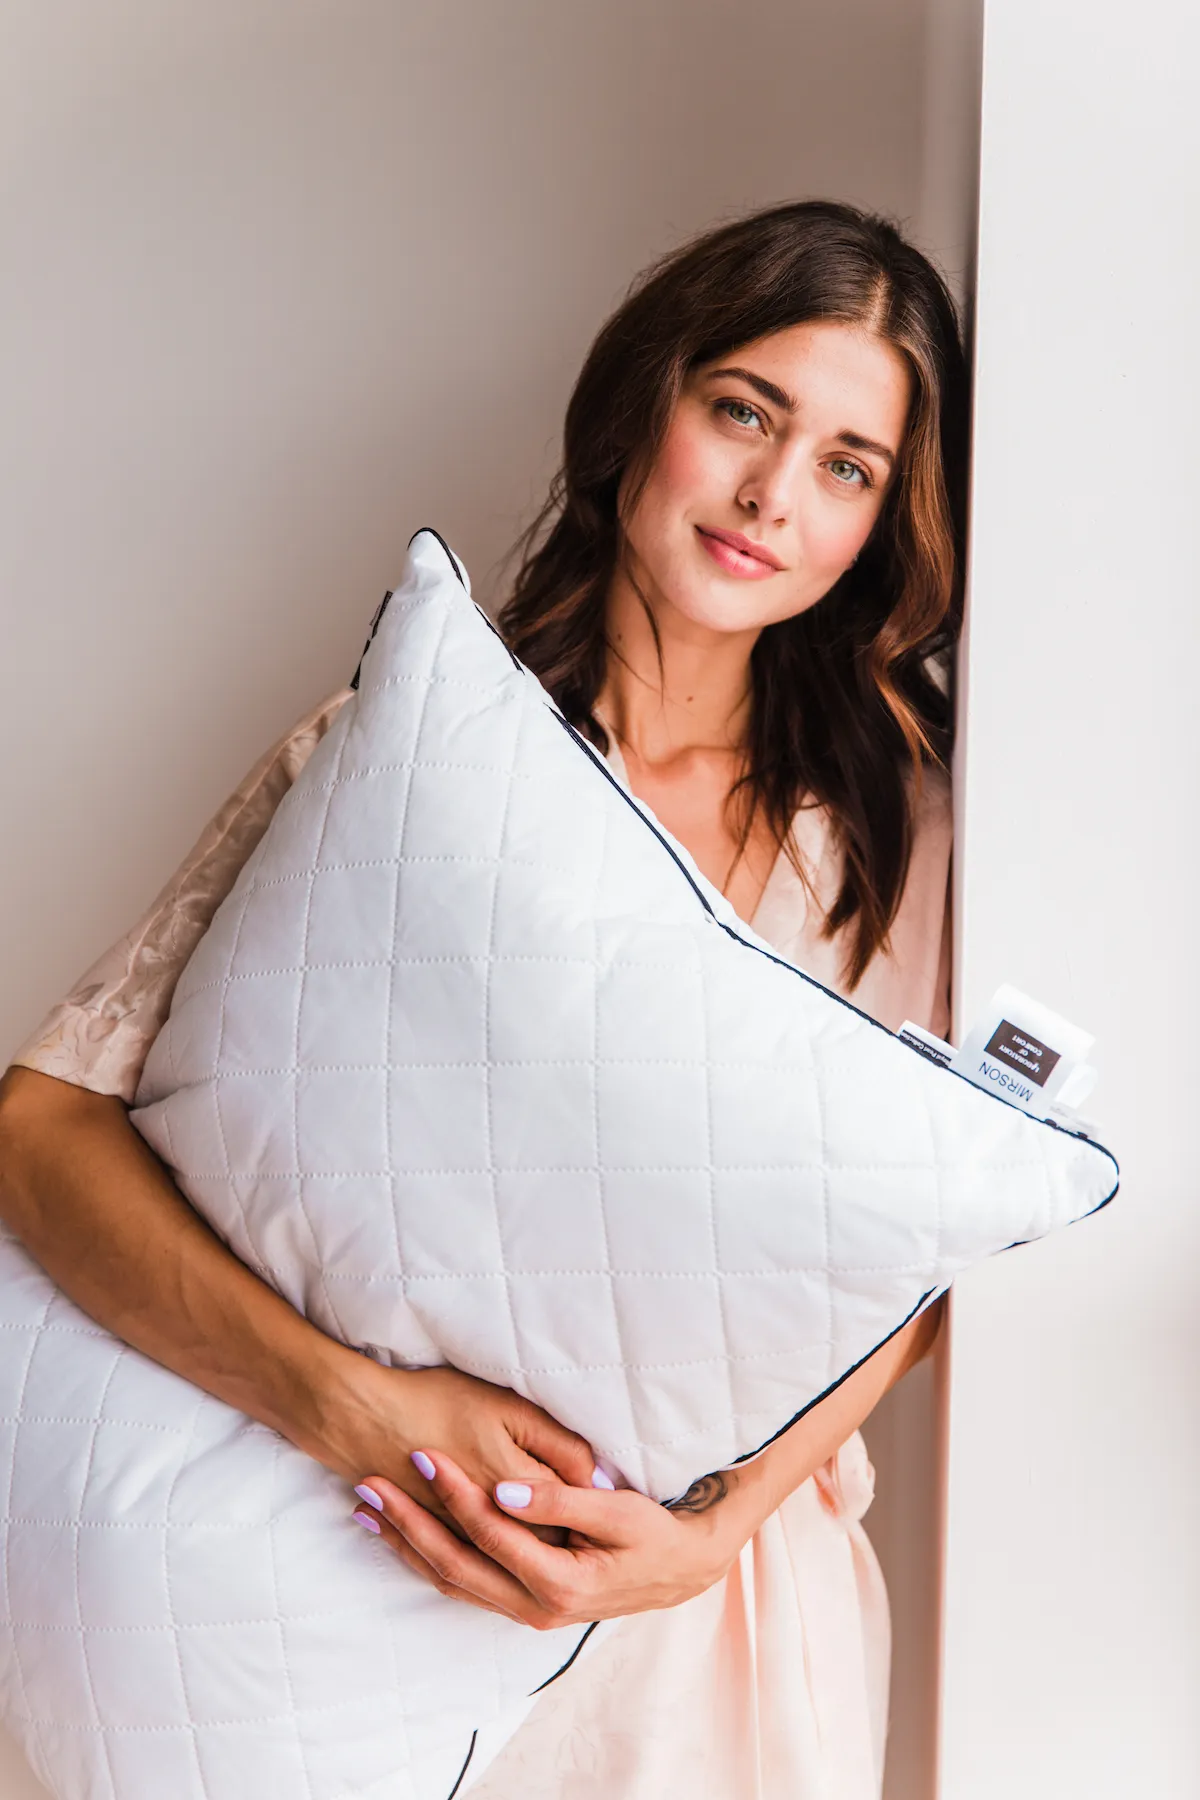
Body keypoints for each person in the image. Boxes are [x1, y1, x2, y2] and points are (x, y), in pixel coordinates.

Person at [0, 199, 966, 1799]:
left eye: (849, 466)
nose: (773, 496)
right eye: (746, 412)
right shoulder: (397, 750)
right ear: (645, 401)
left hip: (713, 1643)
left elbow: (924, 1275)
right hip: (346, 1591)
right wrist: (354, 1410)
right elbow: (41, 1129)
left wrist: (710, 1532)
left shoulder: (902, 841)